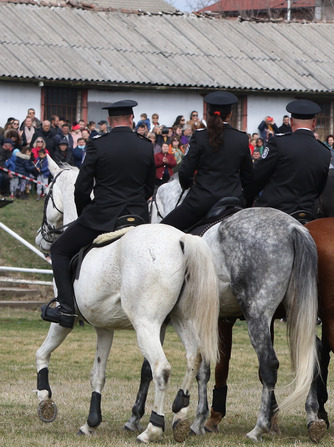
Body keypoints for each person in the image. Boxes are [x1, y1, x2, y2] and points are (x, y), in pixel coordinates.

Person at [40, 99, 155, 328]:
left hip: (103, 217)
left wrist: (85, 214)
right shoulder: (145, 145)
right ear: (132, 119)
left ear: (110, 122)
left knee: (59, 250)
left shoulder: (98, 144)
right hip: (138, 217)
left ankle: (65, 310)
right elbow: (149, 187)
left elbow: (82, 186)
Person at [160, 91, 253, 231]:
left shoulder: (199, 136)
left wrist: (188, 185)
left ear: (208, 113)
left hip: (202, 200)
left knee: (162, 231)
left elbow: (185, 173)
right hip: (233, 201)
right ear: (230, 113)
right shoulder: (241, 138)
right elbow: (248, 177)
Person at [246, 99, 332, 217]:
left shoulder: (279, 142)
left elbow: (258, 176)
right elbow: (319, 188)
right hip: (305, 214)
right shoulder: (324, 151)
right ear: (314, 123)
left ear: (291, 122)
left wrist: (245, 200)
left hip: (273, 212)